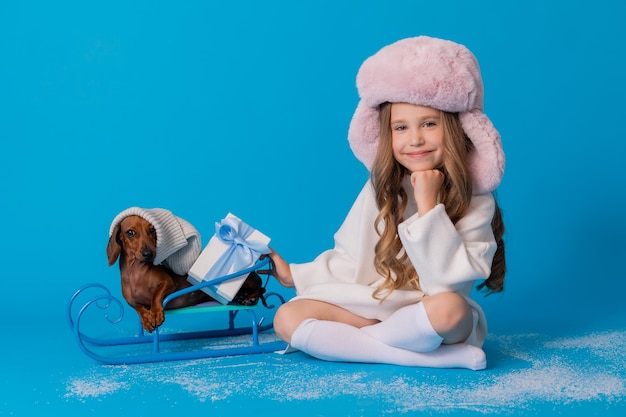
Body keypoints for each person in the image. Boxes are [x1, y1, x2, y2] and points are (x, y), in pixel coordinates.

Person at [262, 36, 505, 371]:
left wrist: (429, 205)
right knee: (287, 317)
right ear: (386, 135)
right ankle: (409, 353)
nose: (415, 138)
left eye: (429, 124)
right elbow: (350, 255)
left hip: (428, 311)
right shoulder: (381, 187)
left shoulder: (475, 199)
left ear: (454, 127)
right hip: (373, 304)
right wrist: (293, 276)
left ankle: (365, 344)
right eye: (401, 127)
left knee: (452, 310)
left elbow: (445, 286)